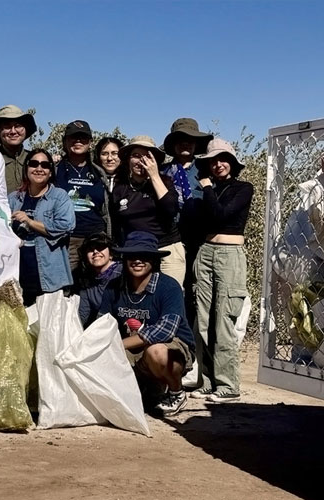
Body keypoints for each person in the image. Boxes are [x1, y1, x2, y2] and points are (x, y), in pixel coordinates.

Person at [97, 231, 195, 417]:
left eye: (144, 256)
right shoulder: (113, 287)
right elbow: (102, 324)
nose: (137, 261)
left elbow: (165, 331)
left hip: (170, 348)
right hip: (129, 352)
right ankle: (150, 391)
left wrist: (116, 345)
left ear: (154, 260)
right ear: (124, 259)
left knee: (156, 351)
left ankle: (176, 393)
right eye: (132, 256)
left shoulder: (169, 286)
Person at [190, 139, 254, 403]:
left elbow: (221, 216)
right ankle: (207, 381)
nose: (218, 165)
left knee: (223, 318)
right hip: (205, 252)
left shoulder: (243, 188)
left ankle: (228, 386)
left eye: (223, 159)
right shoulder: (208, 190)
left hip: (229, 255)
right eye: (212, 161)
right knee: (203, 318)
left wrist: (206, 189)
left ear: (233, 162)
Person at [161, 118, 214, 340]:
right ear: (173, 144)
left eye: (191, 140)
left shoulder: (205, 171)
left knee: (197, 294)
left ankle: (193, 343)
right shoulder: (161, 171)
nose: (186, 144)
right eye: (181, 140)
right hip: (169, 240)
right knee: (171, 292)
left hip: (198, 242)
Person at [111, 136, 185, 286]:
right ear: (128, 160)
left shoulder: (165, 182)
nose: (141, 161)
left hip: (167, 249)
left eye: (147, 156)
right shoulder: (120, 189)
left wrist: (154, 176)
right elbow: (116, 224)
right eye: (136, 156)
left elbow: (171, 209)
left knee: (170, 295)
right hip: (137, 253)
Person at [8, 149, 75, 305]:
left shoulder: (59, 196)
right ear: (26, 169)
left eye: (45, 165)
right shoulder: (13, 198)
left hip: (49, 275)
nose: (39, 169)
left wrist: (30, 222)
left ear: (50, 172)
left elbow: (66, 225)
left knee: (49, 326)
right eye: (33, 164)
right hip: (19, 273)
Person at [53, 120, 110, 270]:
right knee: (68, 287)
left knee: (96, 286)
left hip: (96, 239)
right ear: (65, 142)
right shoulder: (55, 170)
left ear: (90, 142)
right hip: (67, 239)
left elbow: (105, 208)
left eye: (83, 138)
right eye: (73, 137)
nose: (78, 141)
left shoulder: (99, 172)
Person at [0, 105, 37, 194]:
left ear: (25, 130)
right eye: (7, 127)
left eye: (18, 126)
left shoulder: (36, 160)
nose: (13, 131)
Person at [74, 232, 122, 327]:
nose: (95, 251)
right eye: (90, 249)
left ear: (111, 253)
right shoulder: (87, 279)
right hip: (104, 327)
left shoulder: (122, 272)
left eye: (100, 247)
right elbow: (83, 314)